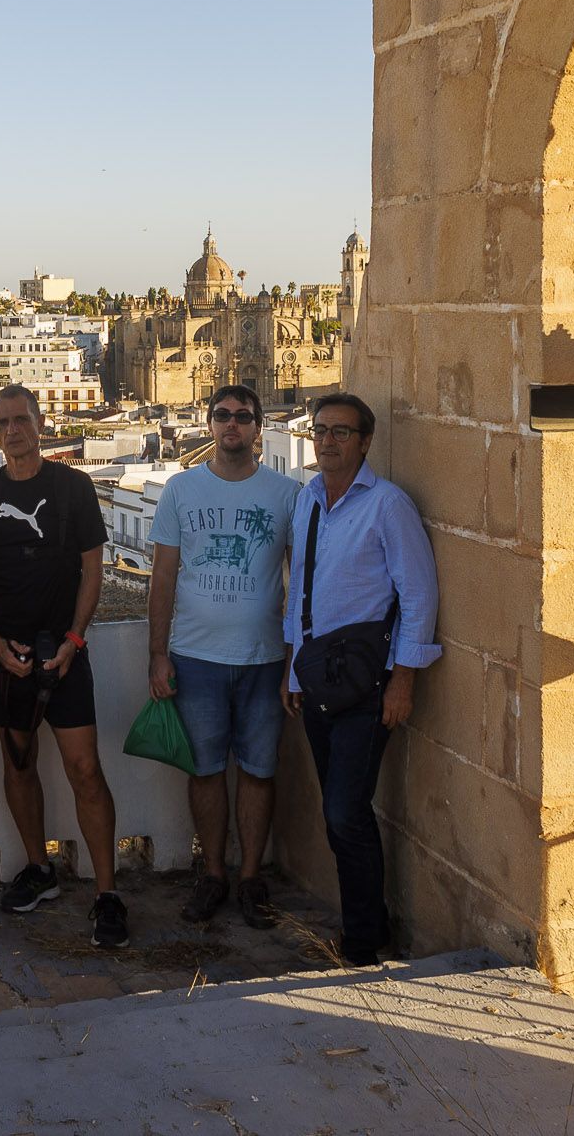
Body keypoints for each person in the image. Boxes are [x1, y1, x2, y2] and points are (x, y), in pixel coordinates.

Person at [0, 385, 126, 947]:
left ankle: (107, 893)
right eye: (3, 422)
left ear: (40, 422)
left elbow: (92, 569)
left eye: (21, 419)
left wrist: (74, 641)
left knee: (85, 771)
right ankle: (39, 868)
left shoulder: (73, 488)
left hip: (64, 652)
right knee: (19, 763)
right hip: (7, 655)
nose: (13, 430)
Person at [281, 391, 440, 967]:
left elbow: (418, 594)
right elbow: (299, 590)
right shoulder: (309, 501)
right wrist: (293, 667)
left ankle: (364, 940)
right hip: (319, 677)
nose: (327, 440)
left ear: (364, 441)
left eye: (341, 432)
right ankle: (367, 922)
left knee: (345, 811)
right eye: (321, 430)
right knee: (339, 809)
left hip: (368, 683)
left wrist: (404, 682)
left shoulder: (388, 506)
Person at [147, 383, 302, 928]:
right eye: (222, 415)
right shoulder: (180, 491)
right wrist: (157, 656)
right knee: (206, 771)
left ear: (259, 428)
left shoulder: (286, 494)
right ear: (209, 424)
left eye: (243, 416)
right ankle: (213, 874)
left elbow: (299, 581)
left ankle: (250, 877)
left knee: (259, 773)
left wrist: (293, 660)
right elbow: (163, 576)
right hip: (194, 658)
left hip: (264, 660)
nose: (232, 423)